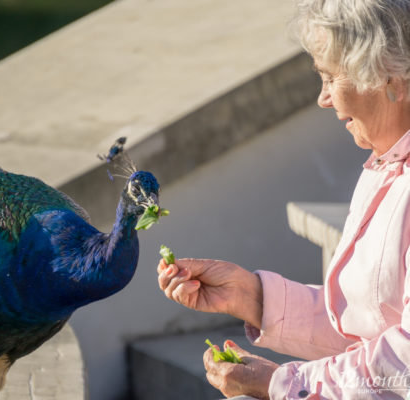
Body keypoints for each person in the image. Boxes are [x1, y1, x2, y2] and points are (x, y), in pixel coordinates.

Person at [157, 0, 410, 398]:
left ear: (388, 78)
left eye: (329, 77)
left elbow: (404, 365)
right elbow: (366, 330)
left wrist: (281, 384)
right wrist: (251, 297)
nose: (323, 99)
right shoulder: (387, 164)